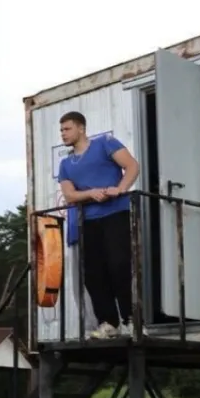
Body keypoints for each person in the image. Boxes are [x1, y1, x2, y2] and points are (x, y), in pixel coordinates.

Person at [57, 111, 141, 339]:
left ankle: (131, 319)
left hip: (115, 213)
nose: (63, 134)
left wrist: (120, 189)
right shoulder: (66, 164)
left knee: (119, 265)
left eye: (67, 129)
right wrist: (91, 193)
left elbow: (132, 166)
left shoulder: (105, 143)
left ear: (81, 128)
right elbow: (70, 195)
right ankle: (108, 322)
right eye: (61, 130)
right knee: (94, 273)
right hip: (88, 220)